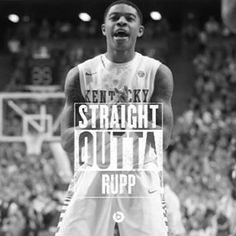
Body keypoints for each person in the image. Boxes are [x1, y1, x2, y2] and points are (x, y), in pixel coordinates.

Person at [56, 1, 174, 235]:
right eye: (115, 18)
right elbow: (67, 142)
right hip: (94, 170)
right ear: (104, 28)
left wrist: (129, 116)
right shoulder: (80, 75)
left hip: (139, 173)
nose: (121, 22)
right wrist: (98, 120)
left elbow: (164, 140)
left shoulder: (157, 72)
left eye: (129, 18)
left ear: (139, 30)